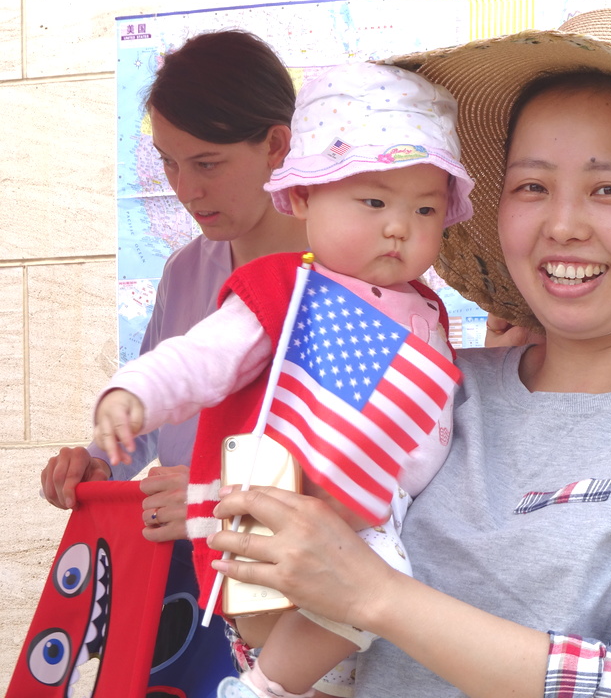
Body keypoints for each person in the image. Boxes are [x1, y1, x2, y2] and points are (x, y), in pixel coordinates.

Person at [204, 8, 611, 698]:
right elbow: (281, 635)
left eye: (608, 188)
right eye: (532, 187)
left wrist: (378, 597)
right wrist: (266, 539)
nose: (563, 224)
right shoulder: (432, 387)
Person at [92, 61, 475, 698]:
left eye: (426, 208)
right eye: (374, 201)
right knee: (371, 583)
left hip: (377, 520)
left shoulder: (422, 308)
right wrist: (136, 392)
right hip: (298, 519)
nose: (398, 226)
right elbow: (204, 356)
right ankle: (261, 689)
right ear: (301, 197)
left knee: (371, 605)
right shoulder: (288, 289)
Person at [37, 29, 308, 683]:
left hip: (310, 625)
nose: (185, 188)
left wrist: (218, 497)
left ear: (276, 144)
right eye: (168, 162)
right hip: (195, 597)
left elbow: (374, 467)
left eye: (207, 163)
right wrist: (99, 458)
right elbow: (156, 420)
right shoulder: (187, 271)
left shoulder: (341, 275)